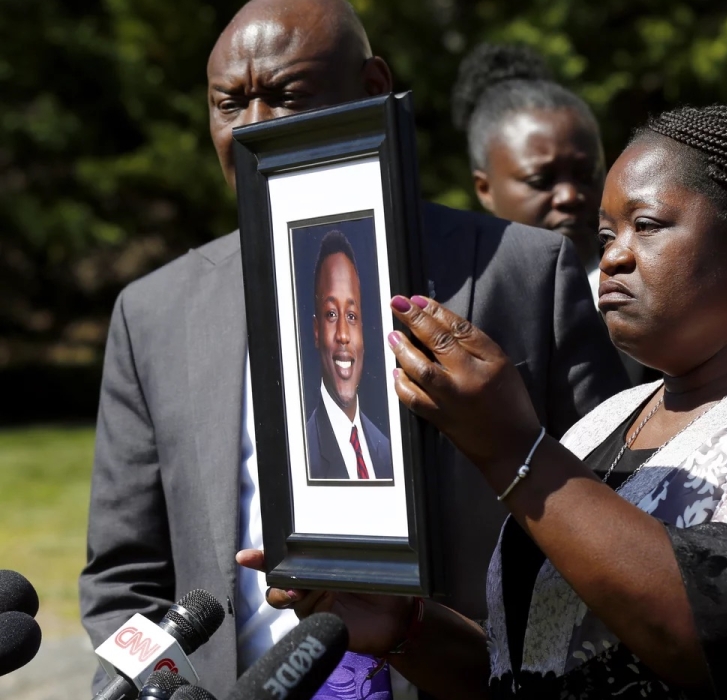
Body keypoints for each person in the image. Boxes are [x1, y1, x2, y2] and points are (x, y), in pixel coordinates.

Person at [245, 104, 727, 699]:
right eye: (606, 238)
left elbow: (722, 641)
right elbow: (537, 673)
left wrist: (515, 449)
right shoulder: (605, 422)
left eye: (647, 226)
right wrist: (407, 630)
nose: (616, 258)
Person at [78, 0, 628, 696]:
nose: (252, 128)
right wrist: (159, 686)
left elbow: (611, 521)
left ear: (372, 90)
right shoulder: (155, 313)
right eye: (229, 103)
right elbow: (123, 576)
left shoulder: (521, 273)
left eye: (283, 97)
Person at [451, 43, 605, 299]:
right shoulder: (457, 300)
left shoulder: (653, 306)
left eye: (586, 175)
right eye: (541, 180)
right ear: (485, 189)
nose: (569, 196)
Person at [305, 230, 391, 481]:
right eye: (331, 314)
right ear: (317, 331)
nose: (343, 334)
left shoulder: (387, 451)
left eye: (352, 317)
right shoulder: (303, 455)